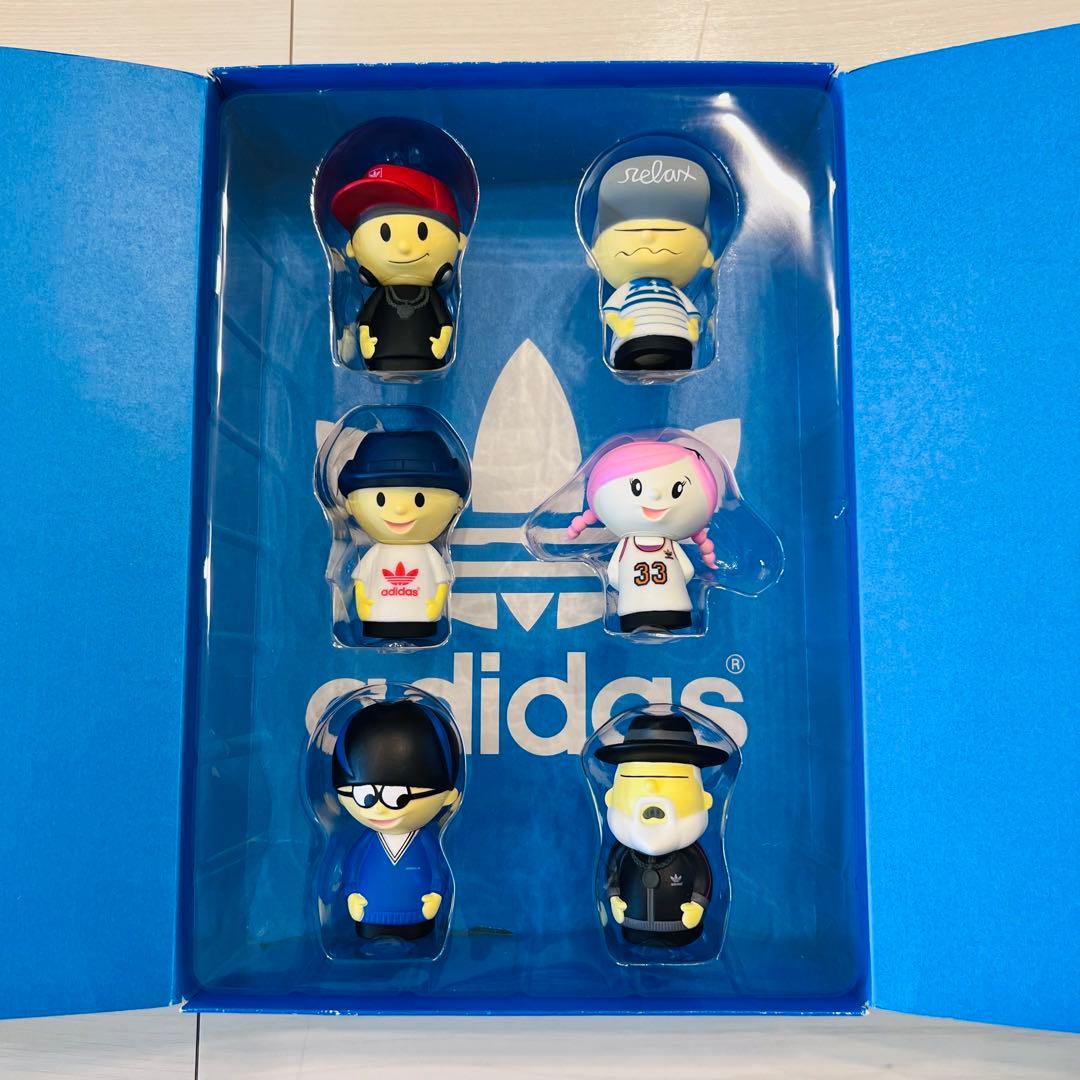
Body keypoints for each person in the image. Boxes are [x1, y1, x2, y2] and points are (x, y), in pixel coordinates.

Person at [566, 439, 738, 632]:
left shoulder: (631, 546)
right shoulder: (651, 544)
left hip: (640, 605)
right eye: (636, 488)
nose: (655, 495)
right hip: (659, 603)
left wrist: (627, 586)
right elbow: (686, 571)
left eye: (677, 490)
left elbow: (614, 574)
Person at [333, 697, 462, 940]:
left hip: (416, 913)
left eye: (398, 798)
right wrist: (352, 892)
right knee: (369, 933)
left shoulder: (424, 841)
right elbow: (352, 868)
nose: (380, 809)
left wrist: (436, 893)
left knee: (418, 934)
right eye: (366, 797)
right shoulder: (368, 841)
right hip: (371, 912)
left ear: (448, 796)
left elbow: (438, 868)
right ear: (342, 795)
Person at [597, 711, 729, 947]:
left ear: (705, 800)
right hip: (633, 926)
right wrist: (614, 897)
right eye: (636, 781)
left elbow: (703, 879)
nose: (651, 787)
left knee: (683, 937)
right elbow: (612, 875)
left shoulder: (690, 855)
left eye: (674, 782)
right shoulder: (622, 853)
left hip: (681, 928)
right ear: (611, 798)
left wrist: (698, 905)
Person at [331, 164, 467, 372]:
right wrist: (365, 339)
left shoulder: (431, 296)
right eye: (384, 233)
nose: (403, 247)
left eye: (422, 232)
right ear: (352, 248)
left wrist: (442, 342)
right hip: (382, 358)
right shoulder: (380, 295)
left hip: (426, 358)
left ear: (459, 242)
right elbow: (365, 320)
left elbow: (445, 321)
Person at [338, 428, 469, 639]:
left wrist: (436, 605)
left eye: (419, 500)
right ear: (350, 505)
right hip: (376, 619)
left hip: (422, 621)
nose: (399, 510)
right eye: (381, 499)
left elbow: (442, 583)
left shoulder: (426, 553)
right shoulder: (379, 552)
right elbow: (360, 581)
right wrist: (363, 604)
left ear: (457, 505)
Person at [588, 154, 715, 372]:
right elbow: (610, 312)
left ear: (706, 256)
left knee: (678, 356)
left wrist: (693, 327)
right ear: (596, 255)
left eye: (670, 231)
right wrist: (621, 327)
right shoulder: (629, 290)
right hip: (632, 339)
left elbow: (691, 313)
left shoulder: (674, 291)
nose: (647, 236)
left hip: (678, 338)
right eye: (632, 232)